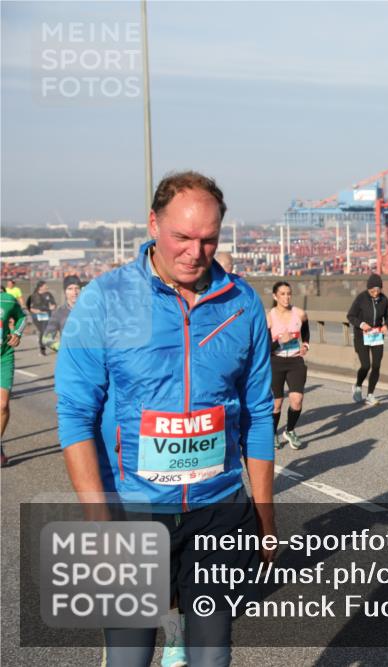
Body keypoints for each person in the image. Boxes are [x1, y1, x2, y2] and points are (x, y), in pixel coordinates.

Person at [55, 171, 276, 665]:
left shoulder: (242, 303)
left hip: (218, 509)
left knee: (211, 650)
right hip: (134, 512)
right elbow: (75, 414)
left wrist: (265, 516)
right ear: (153, 224)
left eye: (209, 240)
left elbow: (260, 414)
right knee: (130, 655)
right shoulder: (105, 300)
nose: (195, 253)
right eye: (182, 237)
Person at [268, 281, 310, 450]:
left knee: (297, 400)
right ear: (275, 296)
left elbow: (306, 330)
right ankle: (272, 434)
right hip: (275, 361)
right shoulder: (269, 317)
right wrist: (279, 341)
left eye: (288, 293)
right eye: (282, 294)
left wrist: (306, 344)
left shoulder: (299, 314)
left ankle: (290, 430)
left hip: (295, 361)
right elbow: (263, 347)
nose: (286, 297)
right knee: (276, 403)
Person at [347, 274, 388, 405]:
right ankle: (358, 385)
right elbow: (350, 316)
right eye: (373, 290)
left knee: (376, 366)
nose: (376, 293)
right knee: (365, 365)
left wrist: (386, 325)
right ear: (368, 288)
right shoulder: (361, 298)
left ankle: (370, 395)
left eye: (378, 290)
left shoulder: (384, 300)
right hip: (362, 336)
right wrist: (361, 324)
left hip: (377, 336)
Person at [1, 290, 27, 467]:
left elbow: (22, 318)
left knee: (2, 405)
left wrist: (17, 334)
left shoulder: (7, 300)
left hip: (3, 357)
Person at [40, 275, 81, 352]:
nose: (74, 292)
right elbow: (46, 339)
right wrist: (63, 349)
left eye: (77, 288)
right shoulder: (58, 313)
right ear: (65, 292)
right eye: (70, 289)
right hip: (70, 361)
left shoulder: (93, 311)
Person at [26, 281, 57, 355]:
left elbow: (54, 303)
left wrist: (53, 306)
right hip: (36, 315)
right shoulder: (33, 295)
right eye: (45, 286)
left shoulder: (48, 294)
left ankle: (42, 347)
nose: (47, 287)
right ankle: (42, 345)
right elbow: (28, 306)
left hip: (46, 314)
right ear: (40, 287)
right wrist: (34, 310)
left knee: (44, 331)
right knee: (42, 331)